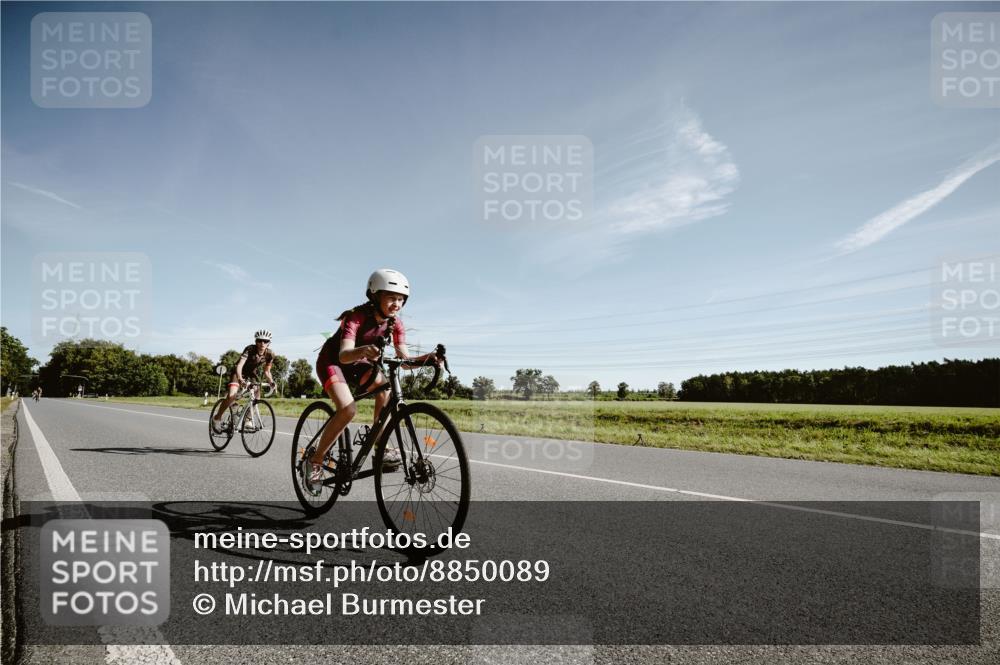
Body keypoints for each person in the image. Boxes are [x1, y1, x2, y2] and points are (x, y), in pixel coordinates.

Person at [307, 269, 440, 489]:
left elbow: (404, 361)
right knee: (348, 410)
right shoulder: (356, 317)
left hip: (360, 362)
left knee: (385, 391)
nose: (397, 304)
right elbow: (344, 354)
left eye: (401, 299)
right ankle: (316, 461)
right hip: (333, 361)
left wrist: (427, 359)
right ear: (375, 296)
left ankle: (380, 446)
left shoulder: (395, 324)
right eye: (391, 298)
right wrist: (364, 350)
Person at [212, 330, 276, 433]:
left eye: (265, 341)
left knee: (256, 395)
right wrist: (240, 378)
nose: (262, 344)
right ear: (256, 341)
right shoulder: (250, 349)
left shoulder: (270, 354)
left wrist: (271, 381)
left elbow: (267, 372)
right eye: (260, 341)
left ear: (269, 343)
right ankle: (217, 418)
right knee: (231, 396)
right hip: (238, 372)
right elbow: (240, 365)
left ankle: (247, 420)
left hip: (251, 374)